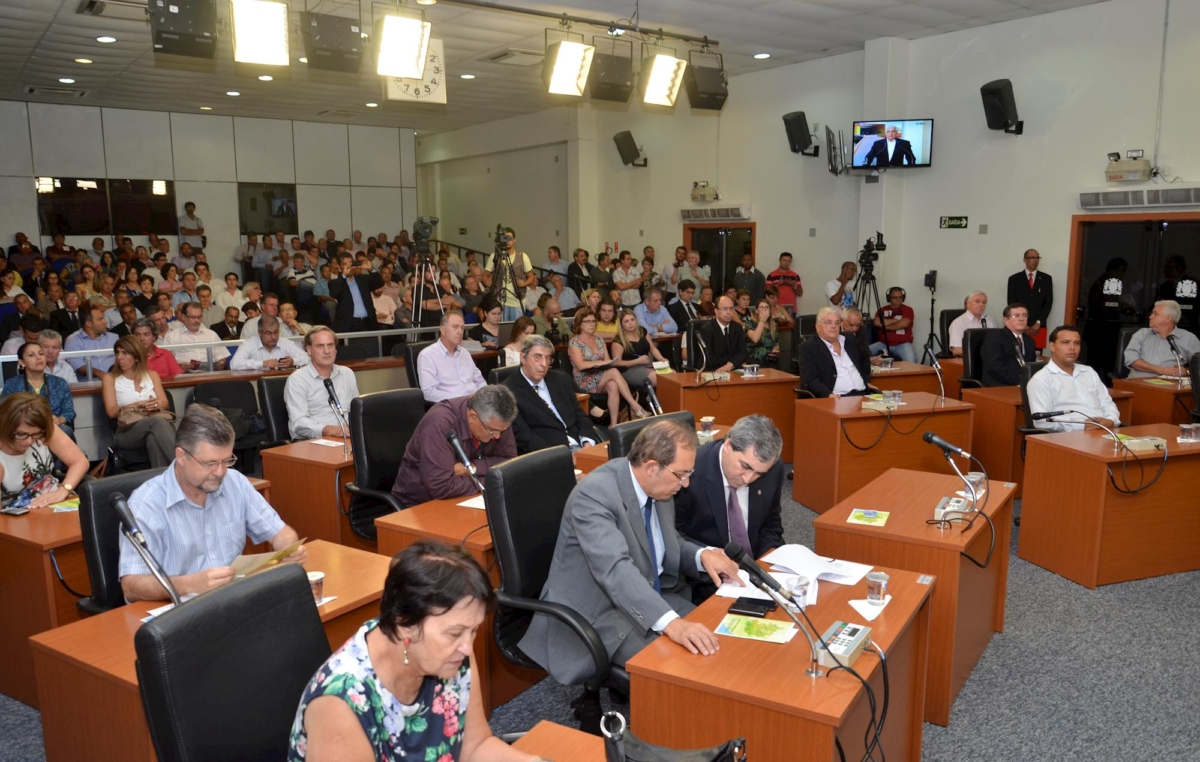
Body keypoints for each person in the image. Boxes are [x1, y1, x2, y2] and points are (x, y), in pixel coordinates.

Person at [518, 419, 742, 683]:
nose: (685, 484)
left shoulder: (659, 488)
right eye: (681, 475)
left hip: (646, 592)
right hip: (599, 611)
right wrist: (673, 624)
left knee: (722, 641)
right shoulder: (595, 494)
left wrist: (701, 556)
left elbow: (662, 543)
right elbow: (615, 569)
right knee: (685, 670)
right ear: (651, 467)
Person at [288, 541, 543, 762]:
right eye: (455, 633)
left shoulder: (453, 652)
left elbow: (475, 747)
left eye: (474, 630)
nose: (467, 647)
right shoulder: (340, 704)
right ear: (405, 623)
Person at [117, 404, 306, 602]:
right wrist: (189, 584)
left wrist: (289, 550)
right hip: (178, 611)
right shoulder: (146, 504)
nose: (220, 472)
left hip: (232, 601)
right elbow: (131, 585)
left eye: (227, 461)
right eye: (210, 463)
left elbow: (281, 532)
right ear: (181, 456)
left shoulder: (235, 482)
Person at [674, 415, 785, 589]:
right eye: (745, 466)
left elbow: (771, 524)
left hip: (756, 571)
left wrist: (763, 569)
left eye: (759, 474)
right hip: (708, 580)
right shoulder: (690, 473)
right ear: (728, 446)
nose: (748, 479)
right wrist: (709, 556)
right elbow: (673, 534)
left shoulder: (773, 470)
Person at [391, 385, 517, 507]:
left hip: (465, 500)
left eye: (503, 430)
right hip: (418, 506)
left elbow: (508, 464)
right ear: (473, 416)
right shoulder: (439, 424)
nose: (497, 436)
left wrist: (471, 468)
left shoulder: (497, 420)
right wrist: (493, 482)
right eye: (492, 430)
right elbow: (441, 486)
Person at [503, 335, 599, 454]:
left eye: (548, 358)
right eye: (537, 357)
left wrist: (587, 442)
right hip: (548, 455)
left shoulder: (561, 379)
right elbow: (523, 437)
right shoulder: (508, 392)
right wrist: (559, 456)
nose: (544, 364)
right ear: (523, 358)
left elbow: (581, 415)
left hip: (582, 446)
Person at [0, 393, 87, 510]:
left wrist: (63, 490)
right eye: (21, 434)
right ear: (6, 426)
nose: (29, 441)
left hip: (56, 500)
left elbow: (80, 461)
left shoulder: (45, 429)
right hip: (17, 513)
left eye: (36, 434)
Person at [1028, 325, 1120, 433]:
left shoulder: (1089, 372)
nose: (1072, 347)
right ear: (1052, 346)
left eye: (1077, 343)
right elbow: (1042, 421)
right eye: (1066, 342)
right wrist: (1082, 426)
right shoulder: (1041, 379)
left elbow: (1107, 403)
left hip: (1105, 431)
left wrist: (1111, 420)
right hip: (1072, 436)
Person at [101, 335, 176, 467]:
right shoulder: (110, 378)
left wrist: (156, 404)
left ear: (136, 357)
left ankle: (163, 481)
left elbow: (165, 403)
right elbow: (111, 412)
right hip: (127, 431)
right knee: (157, 422)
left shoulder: (152, 375)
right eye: (117, 353)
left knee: (153, 439)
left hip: (154, 425)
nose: (119, 357)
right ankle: (183, 468)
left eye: (125, 353)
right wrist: (137, 405)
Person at [569, 307, 648, 426]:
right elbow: (580, 365)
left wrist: (606, 363)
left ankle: (614, 424)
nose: (592, 324)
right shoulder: (574, 342)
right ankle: (635, 406)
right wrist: (601, 363)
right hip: (584, 379)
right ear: (580, 324)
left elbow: (607, 361)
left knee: (613, 385)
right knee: (613, 372)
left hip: (601, 375)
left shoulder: (599, 340)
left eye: (594, 321)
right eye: (588, 321)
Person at [284, 328, 361, 440]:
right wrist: (330, 430)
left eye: (330, 345)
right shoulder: (297, 380)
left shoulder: (347, 373)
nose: (327, 351)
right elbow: (299, 423)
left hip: (348, 437)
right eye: (320, 346)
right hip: (313, 441)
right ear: (309, 350)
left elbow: (356, 410)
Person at [2, 343, 76, 440]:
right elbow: (6, 413)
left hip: (54, 429)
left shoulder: (59, 383)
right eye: (31, 355)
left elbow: (69, 412)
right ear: (21, 362)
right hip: (23, 432)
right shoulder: (12, 384)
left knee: (64, 430)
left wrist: (59, 420)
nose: (38, 358)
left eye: (41, 354)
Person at [799, 307, 873, 398]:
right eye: (828, 322)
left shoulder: (849, 339)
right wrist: (829, 395)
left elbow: (865, 359)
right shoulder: (809, 347)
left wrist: (865, 381)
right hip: (837, 398)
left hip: (863, 394)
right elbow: (811, 380)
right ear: (817, 326)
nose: (833, 326)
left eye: (837, 323)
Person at [418, 311, 487, 404]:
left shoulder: (464, 353)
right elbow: (429, 393)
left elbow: (479, 381)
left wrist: (484, 396)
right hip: (452, 407)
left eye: (462, 328)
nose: (460, 332)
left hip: (477, 404)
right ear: (442, 330)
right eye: (455, 327)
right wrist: (462, 399)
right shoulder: (427, 355)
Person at [1124, 299, 1200, 378]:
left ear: (1168, 318)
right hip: (1137, 384)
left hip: (1170, 387)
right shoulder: (1142, 334)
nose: (1150, 317)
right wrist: (1161, 370)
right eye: (1151, 313)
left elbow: (1198, 366)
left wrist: (1187, 371)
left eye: (1155, 314)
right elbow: (1131, 360)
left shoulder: (1189, 338)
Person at [481, 227, 536, 321]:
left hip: (517, 300)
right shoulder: (494, 256)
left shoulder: (523, 256)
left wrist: (525, 283)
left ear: (514, 240)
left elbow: (531, 276)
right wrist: (487, 282)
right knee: (500, 329)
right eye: (504, 238)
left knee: (518, 329)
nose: (507, 241)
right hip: (499, 299)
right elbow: (484, 275)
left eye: (510, 238)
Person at [981, 303, 1038, 387]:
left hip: (1023, 384)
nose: (1022, 319)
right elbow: (995, 367)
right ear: (1006, 320)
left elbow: (1031, 366)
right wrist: (1021, 380)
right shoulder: (994, 337)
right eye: (1016, 316)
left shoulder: (1029, 341)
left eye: (1025, 316)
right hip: (999, 385)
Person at [1007, 249, 1053, 349]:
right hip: (1019, 324)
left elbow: (1048, 303)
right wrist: (1024, 324)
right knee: (1018, 352)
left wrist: (1038, 322)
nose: (1035, 260)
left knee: (1037, 356)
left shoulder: (1046, 279)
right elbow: (1011, 304)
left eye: (1037, 258)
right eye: (1032, 258)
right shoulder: (1014, 279)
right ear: (1025, 260)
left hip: (1039, 326)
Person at [164, 302, 230, 371]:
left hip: (210, 373)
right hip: (184, 375)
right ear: (183, 317)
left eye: (199, 317)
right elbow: (165, 362)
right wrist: (178, 366)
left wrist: (221, 363)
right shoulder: (172, 336)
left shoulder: (211, 334)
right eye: (193, 317)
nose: (197, 320)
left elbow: (222, 357)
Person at [612, 309, 668, 390]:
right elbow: (617, 363)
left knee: (672, 374)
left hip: (647, 366)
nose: (630, 323)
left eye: (632, 319)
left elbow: (652, 348)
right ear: (621, 325)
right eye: (626, 321)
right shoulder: (618, 340)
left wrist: (661, 358)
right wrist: (637, 361)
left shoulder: (642, 331)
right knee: (660, 379)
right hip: (630, 370)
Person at [230, 315, 308, 371]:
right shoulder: (249, 344)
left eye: (276, 332)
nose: (273, 337)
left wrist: (293, 361)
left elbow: (308, 358)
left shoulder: (286, 343)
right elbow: (234, 364)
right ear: (259, 332)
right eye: (268, 333)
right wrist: (262, 364)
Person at [329, 253, 384, 332]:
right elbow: (334, 293)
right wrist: (344, 275)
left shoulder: (363, 279)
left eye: (350, 263)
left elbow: (380, 283)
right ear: (338, 266)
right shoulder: (335, 282)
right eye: (344, 264)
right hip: (349, 324)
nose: (349, 266)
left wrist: (371, 269)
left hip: (368, 322)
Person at [695, 296, 746, 372]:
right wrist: (730, 363)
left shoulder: (737, 328)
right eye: (724, 308)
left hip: (733, 369)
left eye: (731, 308)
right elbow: (708, 358)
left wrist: (731, 364)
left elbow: (743, 352)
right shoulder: (707, 329)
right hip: (712, 371)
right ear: (716, 311)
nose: (729, 312)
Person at [64, 306, 118, 378]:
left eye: (104, 318)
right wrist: (103, 375)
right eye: (100, 319)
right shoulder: (73, 340)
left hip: (116, 383)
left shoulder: (114, 337)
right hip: (88, 386)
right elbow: (79, 366)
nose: (105, 322)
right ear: (89, 323)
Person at [869, 287, 917, 363]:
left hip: (903, 344)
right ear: (889, 298)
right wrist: (897, 320)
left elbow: (904, 324)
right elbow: (877, 322)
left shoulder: (908, 309)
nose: (898, 299)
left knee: (912, 360)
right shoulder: (883, 309)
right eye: (895, 297)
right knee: (863, 352)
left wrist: (884, 326)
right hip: (883, 343)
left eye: (900, 297)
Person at [948, 291, 991, 357]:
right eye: (977, 301)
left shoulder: (989, 320)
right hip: (968, 361)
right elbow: (956, 350)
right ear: (968, 304)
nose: (981, 305)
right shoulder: (958, 323)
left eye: (984, 302)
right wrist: (979, 354)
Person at [744, 298, 781, 366]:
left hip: (771, 360)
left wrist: (775, 350)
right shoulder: (751, 324)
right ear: (756, 310)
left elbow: (776, 343)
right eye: (761, 307)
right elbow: (755, 339)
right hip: (755, 361)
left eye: (767, 307)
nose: (764, 309)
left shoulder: (773, 325)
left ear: (770, 310)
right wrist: (762, 321)